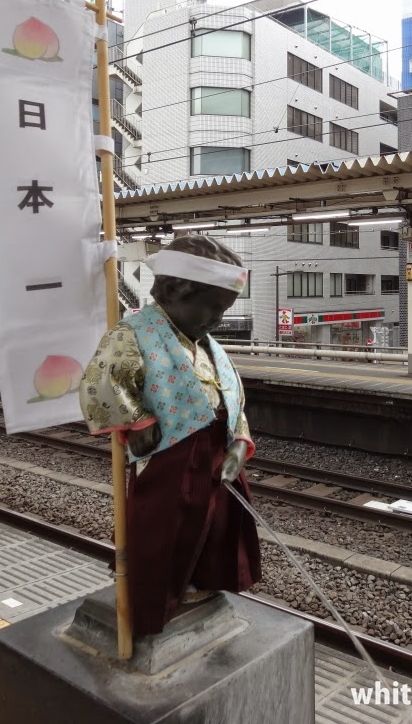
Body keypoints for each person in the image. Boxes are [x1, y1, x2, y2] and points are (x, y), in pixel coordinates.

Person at [80, 235, 261, 635]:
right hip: (171, 448)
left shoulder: (208, 344)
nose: (217, 321)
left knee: (218, 521)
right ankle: (154, 600)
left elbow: (232, 394)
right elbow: (102, 381)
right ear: (178, 291)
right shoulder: (132, 332)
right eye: (213, 310)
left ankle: (204, 579)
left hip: (214, 441)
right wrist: (138, 419)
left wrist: (238, 440)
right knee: (167, 523)